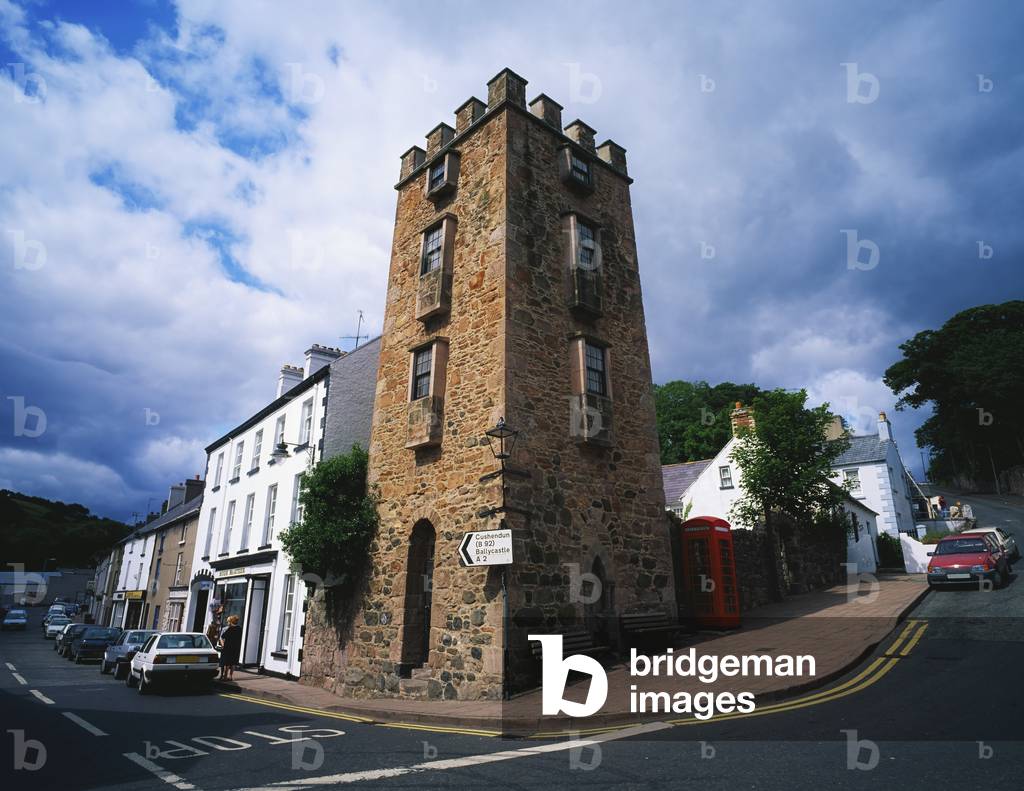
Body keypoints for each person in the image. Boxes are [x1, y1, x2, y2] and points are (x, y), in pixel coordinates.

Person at [217, 614, 242, 681]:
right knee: (233, 663)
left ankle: (225, 677)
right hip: (236, 647)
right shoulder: (240, 629)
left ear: (231, 622)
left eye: (228, 621)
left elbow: (223, 637)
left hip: (228, 647)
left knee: (226, 663)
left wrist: (223, 645)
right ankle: (230, 676)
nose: (227, 623)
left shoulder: (230, 629)